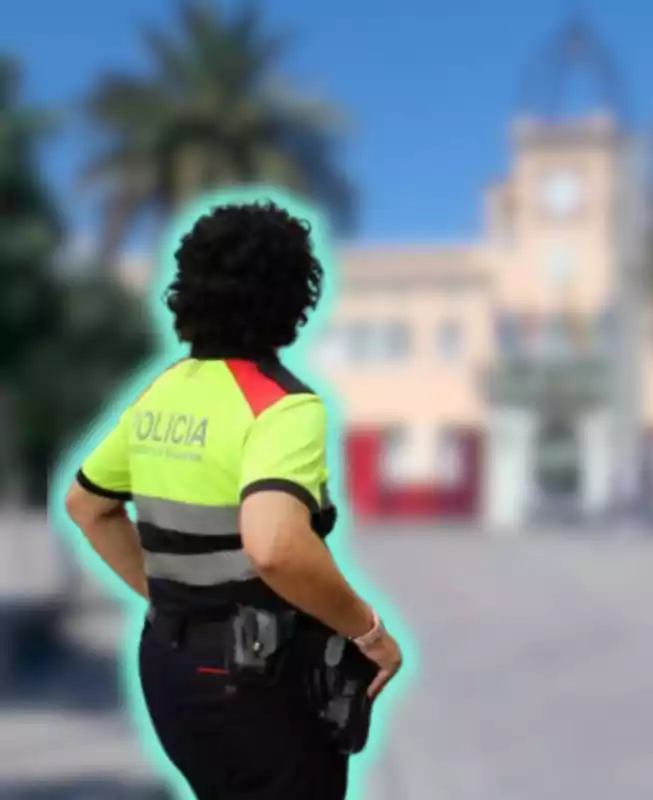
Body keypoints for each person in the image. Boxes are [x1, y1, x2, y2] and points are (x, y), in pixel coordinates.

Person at [64, 201, 404, 799]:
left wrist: (173, 597)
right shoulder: (284, 405)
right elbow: (275, 545)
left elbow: (87, 505)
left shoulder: (163, 391)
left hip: (168, 670)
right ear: (293, 297)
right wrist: (369, 632)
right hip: (259, 684)